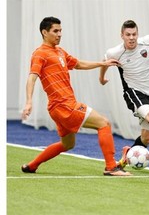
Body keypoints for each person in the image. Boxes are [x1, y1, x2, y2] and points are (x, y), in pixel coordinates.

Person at [21, 16, 132, 176]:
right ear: (44, 32)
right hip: (64, 105)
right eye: (55, 31)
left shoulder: (59, 51)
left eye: (60, 31)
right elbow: (32, 77)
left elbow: (78, 64)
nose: (59, 34)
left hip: (57, 108)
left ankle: (32, 165)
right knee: (104, 123)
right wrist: (29, 102)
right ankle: (111, 167)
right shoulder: (40, 54)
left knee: (67, 144)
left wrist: (102, 63)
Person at [99, 20, 149, 169]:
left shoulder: (147, 42)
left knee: (147, 138)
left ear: (137, 34)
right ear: (122, 35)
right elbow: (105, 61)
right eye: (128, 35)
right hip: (133, 93)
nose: (131, 38)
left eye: (134, 34)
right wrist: (101, 78)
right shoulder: (115, 52)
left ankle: (126, 156)